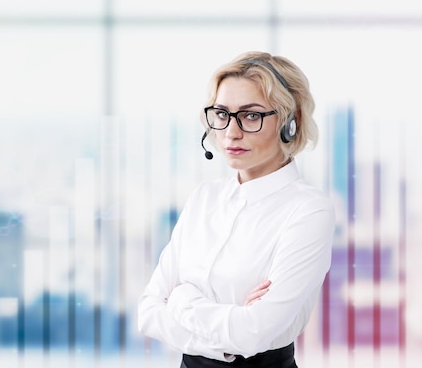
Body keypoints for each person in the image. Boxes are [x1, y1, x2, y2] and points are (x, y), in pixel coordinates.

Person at [137, 51, 336, 368]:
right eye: (221, 113)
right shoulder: (204, 198)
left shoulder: (308, 211)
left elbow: (254, 334)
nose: (231, 131)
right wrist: (229, 334)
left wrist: (181, 300)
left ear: (290, 121)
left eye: (251, 115)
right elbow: (148, 313)